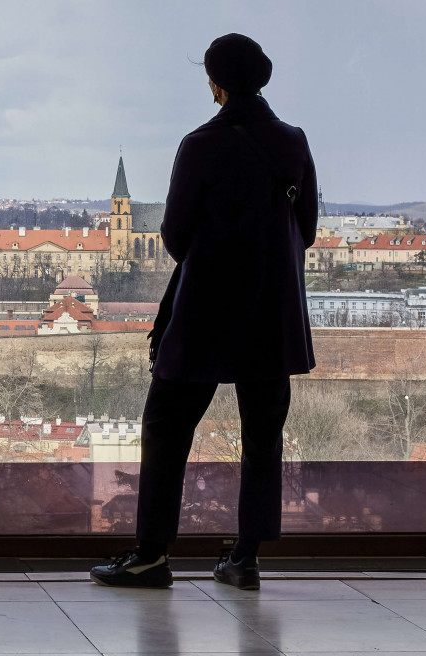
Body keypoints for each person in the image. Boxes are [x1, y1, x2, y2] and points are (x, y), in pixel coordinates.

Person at [91, 33, 318, 591]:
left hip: (206, 309)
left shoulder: (200, 144)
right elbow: (307, 229)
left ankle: (151, 556)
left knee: (166, 427)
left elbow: (173, 237)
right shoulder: (293, 141)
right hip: (272, 312)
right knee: (262, 437)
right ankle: (246, 557)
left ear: (215, 85)